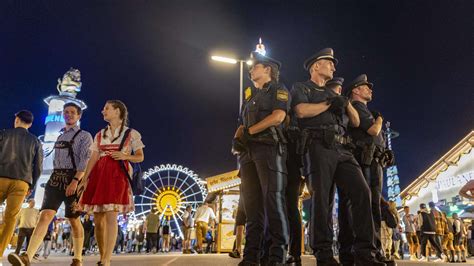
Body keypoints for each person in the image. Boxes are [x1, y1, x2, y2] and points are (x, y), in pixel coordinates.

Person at [291, 48, 381, 266]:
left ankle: (365, 253)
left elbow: (356, 122)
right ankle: (323, 254)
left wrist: (346, 103)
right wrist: (328, 104)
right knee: (322, 200)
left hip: (343, 150)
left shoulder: (336, 94)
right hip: (318, 146)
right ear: (315, 66)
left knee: (362, 192)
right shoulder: (302, 87)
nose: (333, 66)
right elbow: (301, 111)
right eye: (328, 62)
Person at [8, 103, 92, 266]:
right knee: (44, 216)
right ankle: (28, 257)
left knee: (73, 220)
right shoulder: (60, 136)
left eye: (72, 112)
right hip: (55, 178)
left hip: (73, 177)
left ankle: (77, 259)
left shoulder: (84, 135)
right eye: (66, 112)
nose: (68, 115)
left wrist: (76, 181)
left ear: (79, 116)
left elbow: (85, 160)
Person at [231, 51, 290, 266]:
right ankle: (250, 256)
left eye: (255, 66)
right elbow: (241, 124)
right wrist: (237, 140)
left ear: (268, 70)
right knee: (252, 207)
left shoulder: (278, 89)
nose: (251, 69)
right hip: (248, 154)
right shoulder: (249, 96)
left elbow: (278, 116)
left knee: (273, 201)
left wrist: (250, 132)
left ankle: (277, 256)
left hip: (269, 150)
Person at [78, 100, 145, 266]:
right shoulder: (100, 134)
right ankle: (103, 255)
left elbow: (140, 156)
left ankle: (107, 259)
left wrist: (125, 156)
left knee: (111, 216)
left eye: (106, 108)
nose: (103, 111)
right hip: (99, 174)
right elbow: (93, 157)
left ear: (117, 111)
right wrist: (84, 178)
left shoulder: (132, 134)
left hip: (118, 175)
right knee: (98, 220)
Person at [0, 110, 43, 256]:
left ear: (16, 119)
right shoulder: (36, 141)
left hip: (1, 177)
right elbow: (38, 167)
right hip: (21, 182)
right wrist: (32, 185)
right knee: (10, 219)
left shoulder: (4, 134)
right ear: (30, 124)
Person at [229, 195, 246, 259]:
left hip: (252, 200)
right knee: (239, 223)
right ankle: (237, 250)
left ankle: (251, 251)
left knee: (253, 224)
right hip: (242, 203)